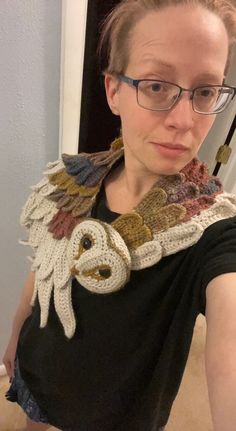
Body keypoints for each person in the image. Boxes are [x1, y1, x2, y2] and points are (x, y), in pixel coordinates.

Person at [3, 0, 236, 430]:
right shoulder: (69, 182)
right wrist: (16, 332)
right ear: (113, 91)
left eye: (205, 91)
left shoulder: (212, 230)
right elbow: (43, 267)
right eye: (156, 85)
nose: (184, 121)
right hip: (37, 375)